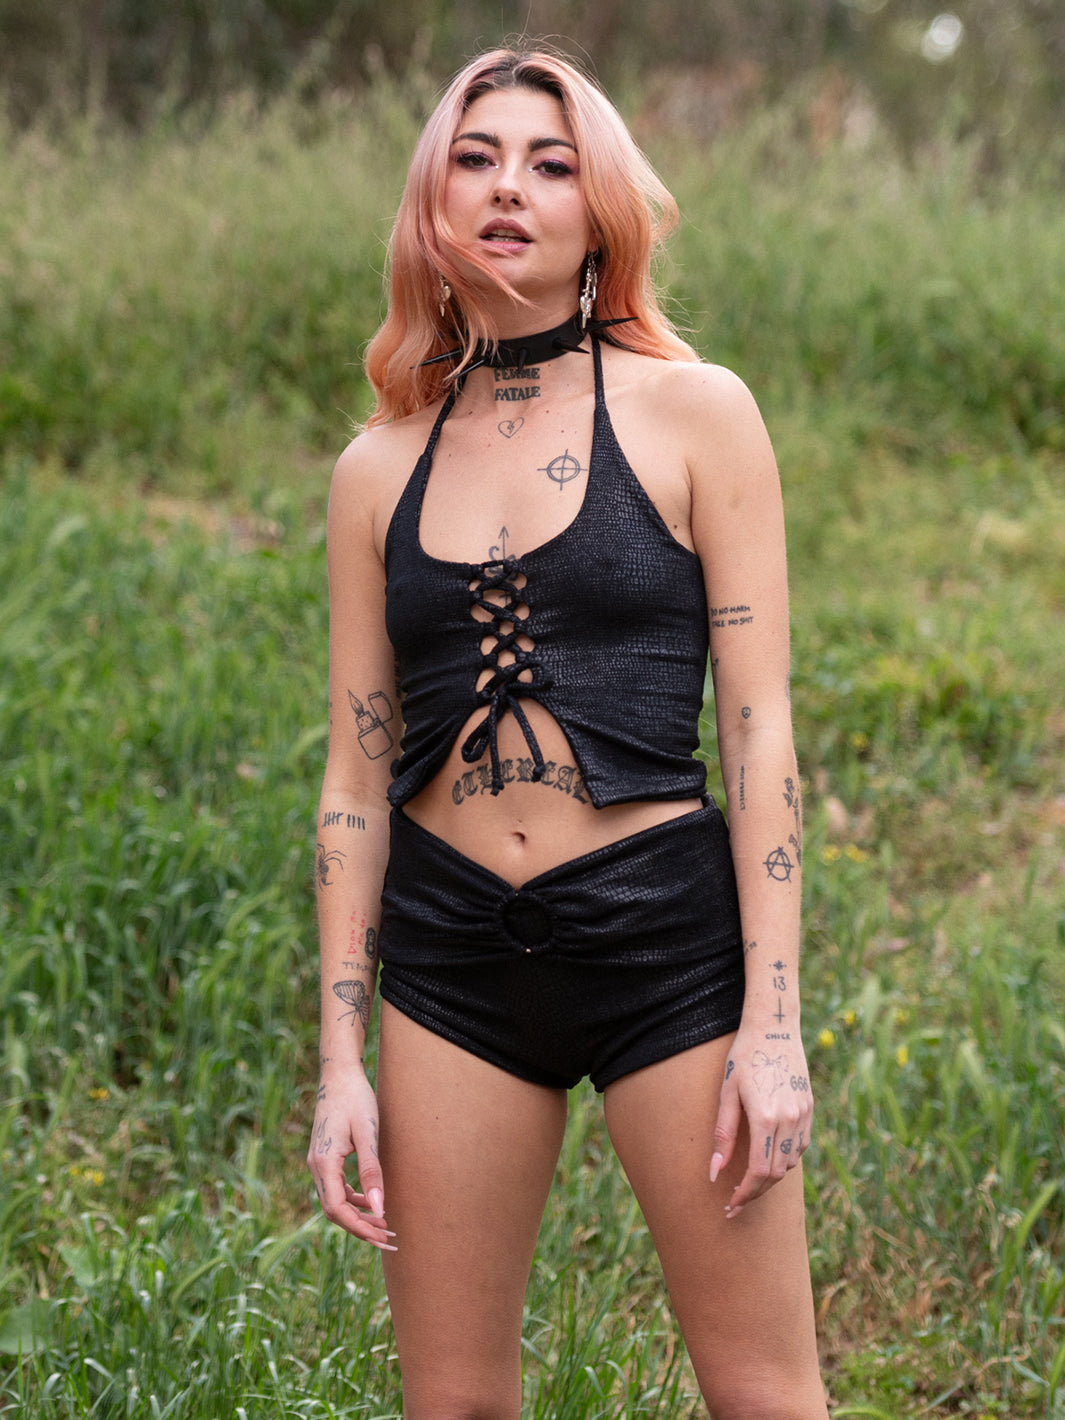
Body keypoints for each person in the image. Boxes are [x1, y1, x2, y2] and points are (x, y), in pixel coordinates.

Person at [307, 45, 828, 1419]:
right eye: (475, 159)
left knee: (764, 1395)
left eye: (549, 164)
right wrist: (339, 1065)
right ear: (431, 202)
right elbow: (355, 775)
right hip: (450, 954)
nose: (508, 189)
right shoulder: (375, 466)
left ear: (598, 212)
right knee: (455, 1405)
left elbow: (759, 730)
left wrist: (772, 1027)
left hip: (662, 940)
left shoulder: (697, 413)